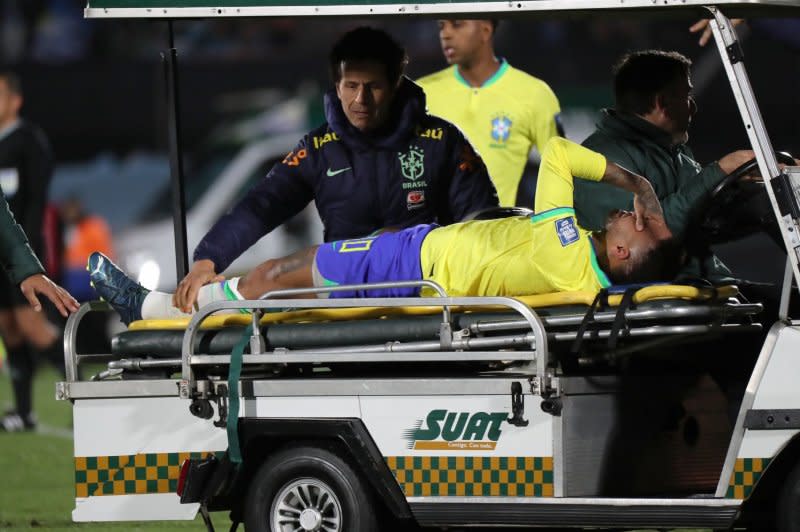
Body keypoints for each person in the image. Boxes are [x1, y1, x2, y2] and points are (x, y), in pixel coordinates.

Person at [89, 138, 680, 326]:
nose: (637, 214)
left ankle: (155, 310)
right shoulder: (581, 264)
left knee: (278, 277)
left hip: (414, 268)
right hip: (420, 253)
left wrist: (638, 184)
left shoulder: (567, 246)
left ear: (624, 249)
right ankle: (167, 306)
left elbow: (555, 152)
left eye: (642, 224)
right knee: (287, 282)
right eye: (643, 211)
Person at [177, 26, 499, 314]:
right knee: (268, 280)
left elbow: (482, 224)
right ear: (337, 83)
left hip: (426, 299)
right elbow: (262, 203)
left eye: (373, 87)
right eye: (351, 86)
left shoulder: (441, 140)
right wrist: (208, 260)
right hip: (343, 306)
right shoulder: (319, 148)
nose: (361, 99)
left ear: (396, 83)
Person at [573, 50, 756, 281]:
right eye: (687, 96)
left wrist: (755, 192)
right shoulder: (601, 158)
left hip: (706, 284)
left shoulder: (674, 153)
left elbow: (711, 221)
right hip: (662, 299)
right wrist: (719, 171)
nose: (693, 108)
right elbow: (647, 235)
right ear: (663, 103)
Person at [0, 71, 78, 432]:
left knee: (32, 325)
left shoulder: (29, 142)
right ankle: (24, 412)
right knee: (9, 329)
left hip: (21, 253)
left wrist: (28, 259)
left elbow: (34, 205)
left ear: (15, 100)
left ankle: (83, 393)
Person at [417, 19, 562, 207]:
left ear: (485, 31)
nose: (445, 34)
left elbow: (560, 169)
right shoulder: (421, 91)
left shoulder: (534, 93)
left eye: (457, 24)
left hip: (499, 231)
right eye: (441, 26)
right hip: (433, 233)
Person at [60, 196, 114, 303]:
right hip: (71, 280)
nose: (70, 213)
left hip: (90, 276)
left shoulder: (93, 226)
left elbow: (104, 252)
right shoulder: (67, 228)